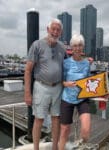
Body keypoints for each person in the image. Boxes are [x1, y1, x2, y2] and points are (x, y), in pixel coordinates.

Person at [24, 18, 65, 150]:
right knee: (39, 120)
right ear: (48, 30)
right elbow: (28, 70)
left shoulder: (62, 47)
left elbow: (67, 66)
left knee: (56, 119)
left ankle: (54, 148)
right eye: (53, 29)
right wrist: (27, 93)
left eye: (58, 30)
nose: (55, 32)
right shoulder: (37, 45)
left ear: (61, 32)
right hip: (41, 86)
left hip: (58, 88)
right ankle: (36, 148)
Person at [59, 34, 91, 150]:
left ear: (83, 47)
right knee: (64, 130)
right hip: (67, 98)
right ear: (72, 47)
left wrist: (104, 93)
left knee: (86, 130)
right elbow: (60, 81)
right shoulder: (65, 63)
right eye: (75, 46)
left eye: (80, 45)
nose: (77, 48)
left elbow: (90, 83)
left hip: (82, 98)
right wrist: (66, 83)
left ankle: (80, 145)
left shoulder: (87, 63)